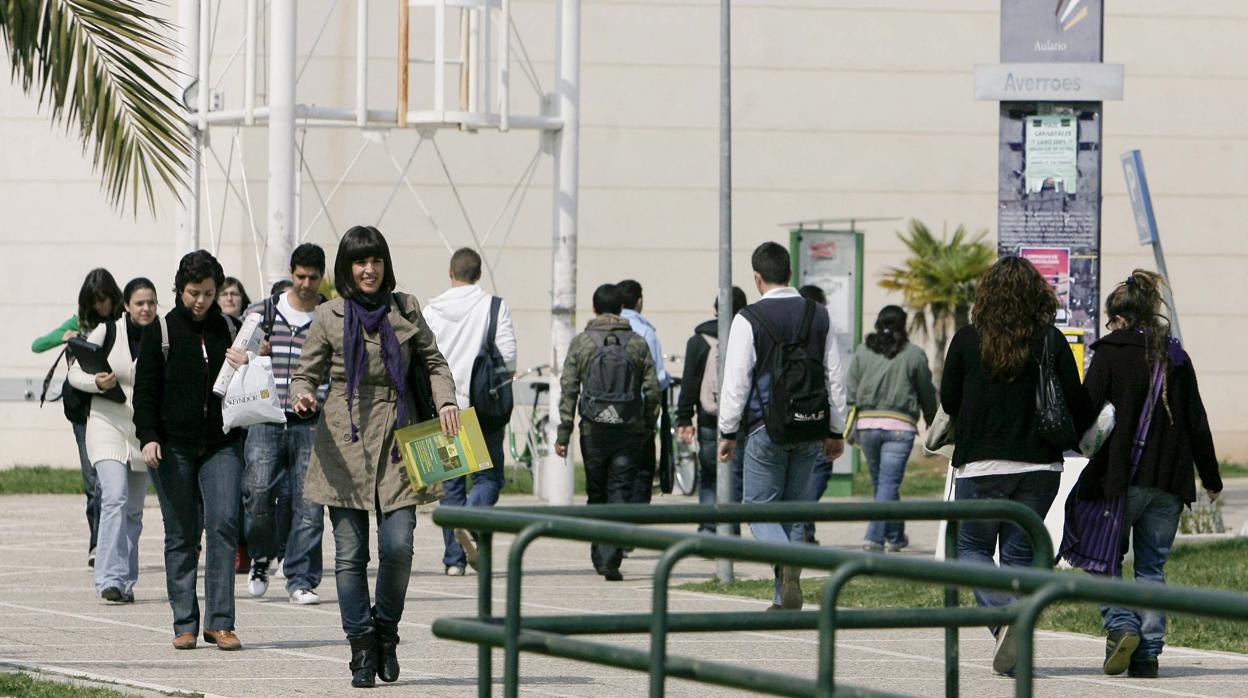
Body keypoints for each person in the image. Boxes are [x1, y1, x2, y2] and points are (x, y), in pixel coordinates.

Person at [289, 225, 458, 688]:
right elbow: (305, 375)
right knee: (349, 555)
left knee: (399, 546)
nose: (369, 269)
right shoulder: (329, 315)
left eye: (376, 260)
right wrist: (303, 396)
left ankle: (387, 629)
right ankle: (361, 645)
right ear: (347, 268)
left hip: (403, 439)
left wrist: (445, 400)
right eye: (360, 262)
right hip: (343, 442)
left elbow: (434, 361)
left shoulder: (405, 307)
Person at [1060, 271, 1222, 679]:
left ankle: (1121, 624)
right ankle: (1147, 654)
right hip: (1168, 482)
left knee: (1101, 558)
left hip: (1119, 479)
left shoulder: (1111, 352)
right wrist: (1211, 478)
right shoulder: (1176, 356)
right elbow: (1196, 421)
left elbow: (1085, 407)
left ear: (1118, 318)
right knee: (1152, 568)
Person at [940, 255, 1095, 675]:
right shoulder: (1050, 340)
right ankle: (1014, 626)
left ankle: (1003, 618)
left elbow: (949, 401)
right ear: (1036, 295)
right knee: (1020, 556)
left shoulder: (967, 340)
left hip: (981, 467)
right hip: (1040, 468)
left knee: (969, 549)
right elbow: (1076, 403)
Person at [717, 242, 848, 611]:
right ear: (790, 273)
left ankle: (786, 568)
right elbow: (835, 377)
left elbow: (736, 380)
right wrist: (835, 431)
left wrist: (727, 431)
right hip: (810, 427)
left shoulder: (749, 318)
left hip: (764, 428)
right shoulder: (818, 314)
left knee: (758, 509)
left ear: (757, 277)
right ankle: (783, 593)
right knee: (793, 511)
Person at [133, 251, 250, 652]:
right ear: (180, 290)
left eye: (208, 293)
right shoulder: (160, 332)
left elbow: (251, 386)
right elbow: (145, 391)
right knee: (182, 533)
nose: (201, 301)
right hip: (173, 446)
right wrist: (148, 435)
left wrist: (248, 361)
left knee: (222, 526)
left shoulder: (231, 328)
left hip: (222, 443)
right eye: (193, 293)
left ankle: (220, 623)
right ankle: (184, 622)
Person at [241, 243, 329, 605]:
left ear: (322, 276)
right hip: (266, 415)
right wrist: (251, 352)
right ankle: (261, 555)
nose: (306, 283)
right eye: (300, 276)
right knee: (258, 492)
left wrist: (318, 398)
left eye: (313, 277)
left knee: (310, 503)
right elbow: (236, 355)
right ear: (291, 274)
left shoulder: (330, 316)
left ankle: (301, 578)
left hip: (311, 420)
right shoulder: (263, 311)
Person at [555, 283, 661, 582]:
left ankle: (600, 554)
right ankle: (611, 557)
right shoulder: (637, 343)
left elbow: (569, 390)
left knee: (597, 492)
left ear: (594, 308)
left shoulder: (582, 343)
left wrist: (563, 435)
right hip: (629, 431)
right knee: (621, 492)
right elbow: (652, 391)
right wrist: (647, 425)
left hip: (593, 429)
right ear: (621, 310)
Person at [423, 247, 518, 576]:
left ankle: (454, 562)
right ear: (478, 275)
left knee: (450, 486)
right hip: (483, 408)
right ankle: (472, 520)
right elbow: (508, 356)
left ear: (451, 274)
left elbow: (421, 357)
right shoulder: (494, 306)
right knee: (488, 478)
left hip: (443, 408)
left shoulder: (431, 310)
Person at [67, 277, 158, 602]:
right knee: (114, 498)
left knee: (134, 511)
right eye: (139, 303)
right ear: (127, 306)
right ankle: (107, 578)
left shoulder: (162, 336)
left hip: (141, 434)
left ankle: (125, 581)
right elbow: (74, 372)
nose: (146, 308)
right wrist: (97, 382)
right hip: (106, 425)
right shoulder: (108, 331)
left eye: (151, 302)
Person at [32, 269, 123, 568]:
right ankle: (96, 544)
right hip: (83, 411)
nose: (100, 307)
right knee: (92, 481)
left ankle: (110, 542)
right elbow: (37, 345)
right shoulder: (79, 323)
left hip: (116, 407)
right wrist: (66, 336)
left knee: (114, 486)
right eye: (95, 302)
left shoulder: (122, 325)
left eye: (105, 300)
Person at [846, 305, 937, 552]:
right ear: (903, 326)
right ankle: (874, 538)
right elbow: (926, 390)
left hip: (867, 426)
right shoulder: (914, 354)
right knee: (887, 484)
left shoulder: (862, 352)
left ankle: (896, 536)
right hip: (900, 427)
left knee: (883, 485)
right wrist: (932, 418)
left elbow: (851, 390)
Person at [674, 286, 748, 534]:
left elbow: (689, 383)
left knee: (708, 475)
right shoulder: (748, 335)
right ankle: (730, 530)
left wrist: (684, 417)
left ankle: (707, 528)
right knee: (735, 476)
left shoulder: (698, 341)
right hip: (741, 420)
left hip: (708, 417)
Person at [617, 279, 668, 504]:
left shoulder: (599, 332)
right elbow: (657, 381)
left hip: (603, 417)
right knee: (641, 473)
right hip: (637, 417)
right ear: (639, 301)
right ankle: (633, 531)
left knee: (614, 476)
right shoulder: (646, 333)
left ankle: (608, 535)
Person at [795, 284, 833, 544]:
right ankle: (803, 528)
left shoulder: (786, 329)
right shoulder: (822, 329)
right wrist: (836, 429)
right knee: (818, 469)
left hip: (786, 417)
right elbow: (835, 378)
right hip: (818, 415)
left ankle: (802, 529)